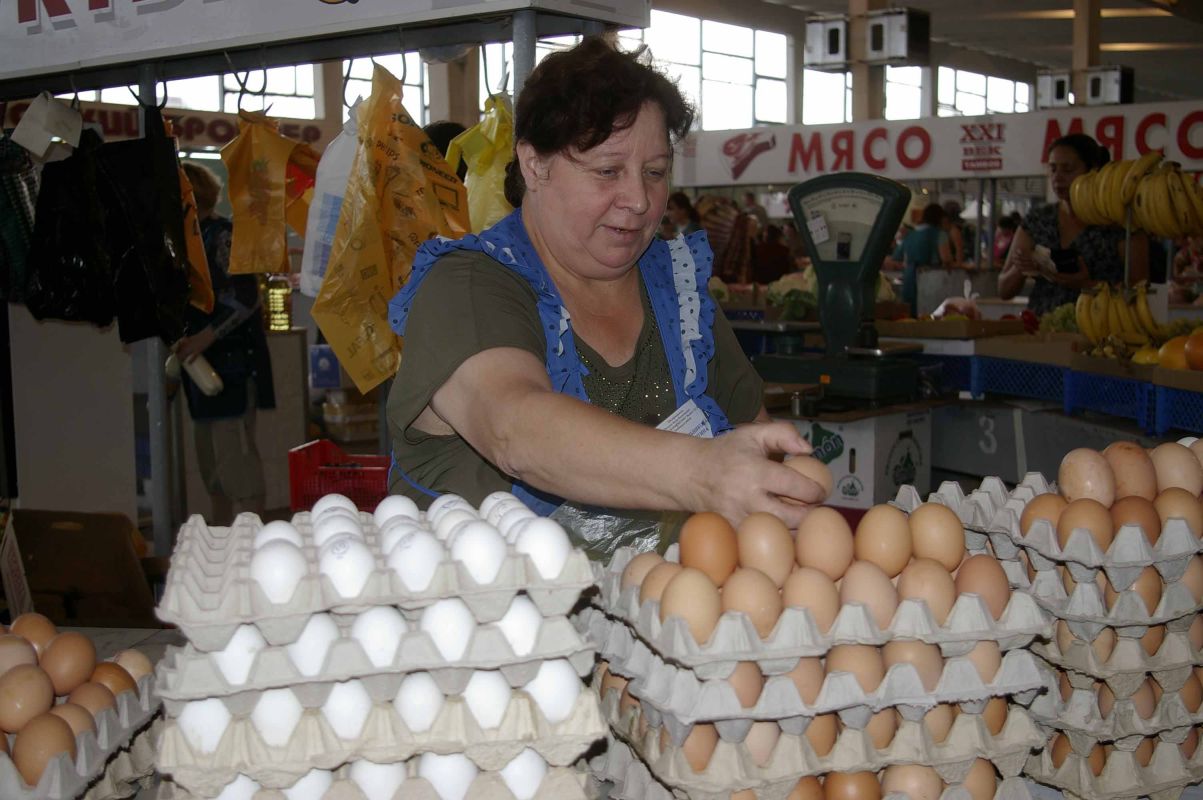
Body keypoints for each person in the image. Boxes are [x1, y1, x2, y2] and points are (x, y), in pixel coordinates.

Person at [384, 38, 823, 528]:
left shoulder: (677, 294)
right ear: (535, 165)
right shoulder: (468, 285)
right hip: (498, 601)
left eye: (655, 172)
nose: (638, 198)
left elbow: (754, 439)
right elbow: (516, 430)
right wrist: (703, 472)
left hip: (660, 600)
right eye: (607, 171)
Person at [177, 162, 275, 522]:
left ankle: (251, 541)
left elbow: (247, 298)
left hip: (233, 364)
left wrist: (204, 338)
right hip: (201, 368)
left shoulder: (222, 235)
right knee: (212, 465)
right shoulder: (187, 238)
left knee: (236, 461)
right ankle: (219, 540)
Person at [1000, 133, 1147, 315]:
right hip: (1042, 330)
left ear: (1092, 170)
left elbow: (1140, 291)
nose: (1058, 177)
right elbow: (1004, 290)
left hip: (1103, 329)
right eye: (1053, 169)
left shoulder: (1120, 222)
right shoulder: (1038, 220)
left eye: (1068, 169)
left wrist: (1086, 285)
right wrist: (1021, 267)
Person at [884, 203, 953, 317]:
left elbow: (896, 257)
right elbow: (946, 258)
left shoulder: (910, 234)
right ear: (940, 218)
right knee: (930, 317)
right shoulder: (939, 234)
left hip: (909, 278)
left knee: (910, 315)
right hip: (932, 279)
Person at [942, 200, 967, 265]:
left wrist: (958, 264)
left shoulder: (953, 230)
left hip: (953, 265)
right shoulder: (952, 229)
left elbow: (959, 250)